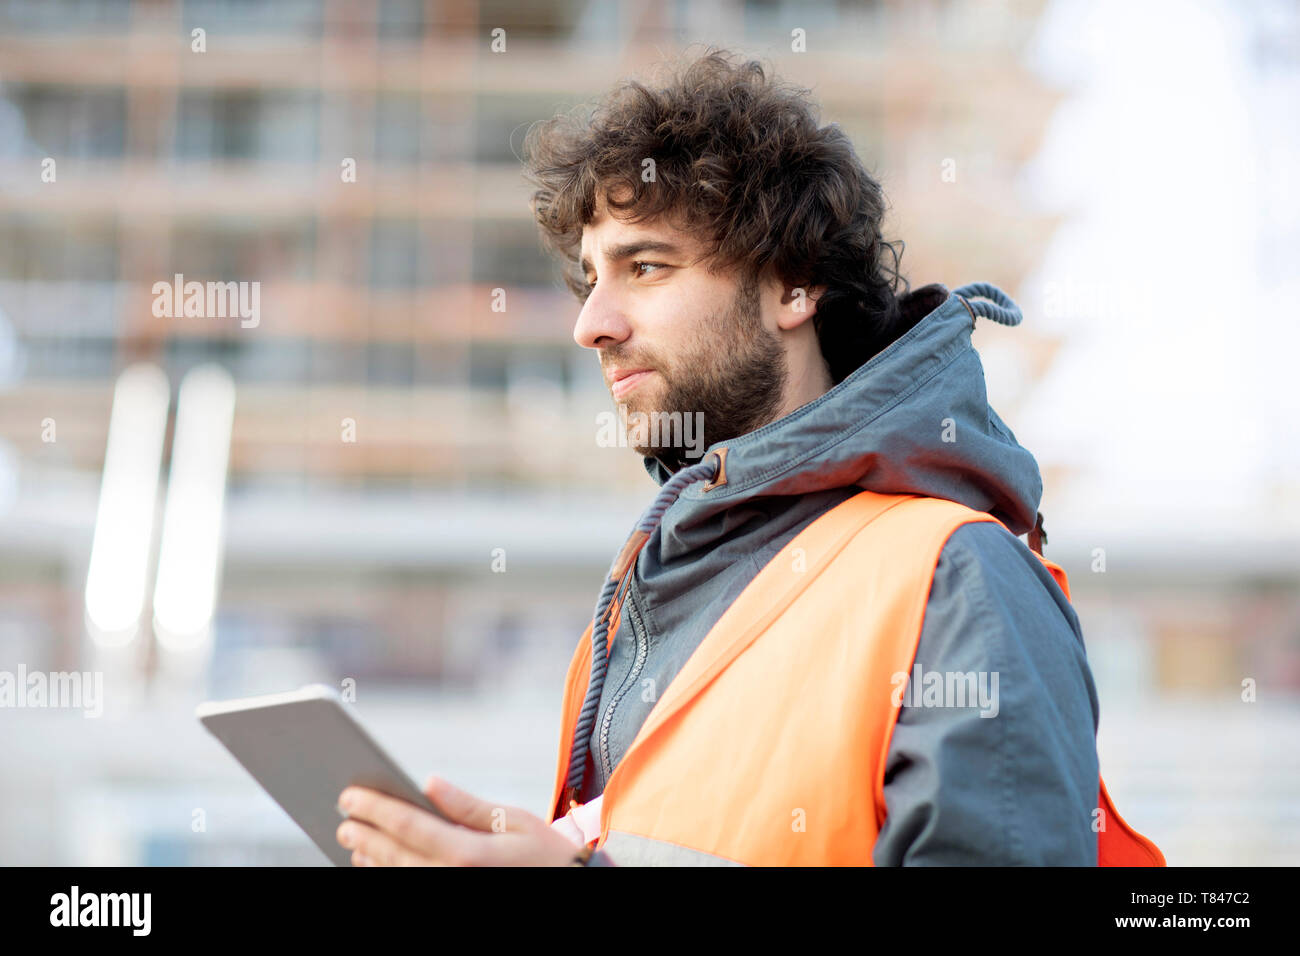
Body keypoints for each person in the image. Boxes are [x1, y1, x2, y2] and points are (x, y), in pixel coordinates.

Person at [334, 48, 1164, 867]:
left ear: (794, 288)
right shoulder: (647, 594)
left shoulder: (956, 579)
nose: (591, 322)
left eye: (645, 267)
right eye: (589, 279)